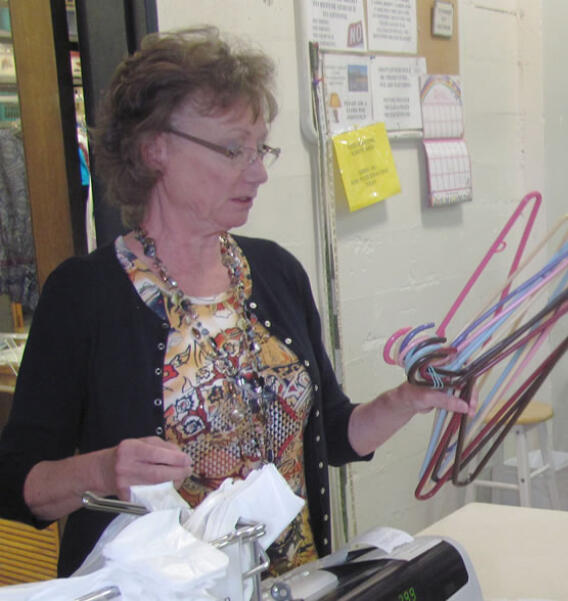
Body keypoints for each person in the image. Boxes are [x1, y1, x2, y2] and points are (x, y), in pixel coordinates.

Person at [0, 27, 470, 577]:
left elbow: (331, 433)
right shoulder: (84, 295)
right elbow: (16, 483)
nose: (259, 171)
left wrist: (405, 400)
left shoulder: (275, 272)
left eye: (260, 147)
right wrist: (103, 470)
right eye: (232, 149)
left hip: (294, 584)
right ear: (154, 149)